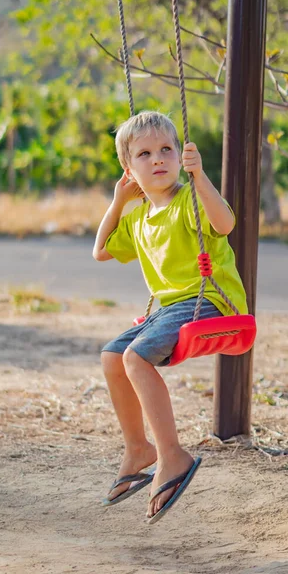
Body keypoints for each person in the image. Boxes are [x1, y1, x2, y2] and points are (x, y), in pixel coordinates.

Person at [92, 110, 248, 523]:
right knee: (112, 356)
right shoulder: (140, 215)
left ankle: (172, 454)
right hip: (171, 308)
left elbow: (226, 222)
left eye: (167, 149)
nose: (158, 159)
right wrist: (117, 203)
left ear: (181, 156)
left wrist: (202, 178)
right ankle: (137, 448)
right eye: (144, 153)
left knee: (135, 358)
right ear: (129, 170)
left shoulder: (190, 198)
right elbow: (102, 249)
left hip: (209, 300)